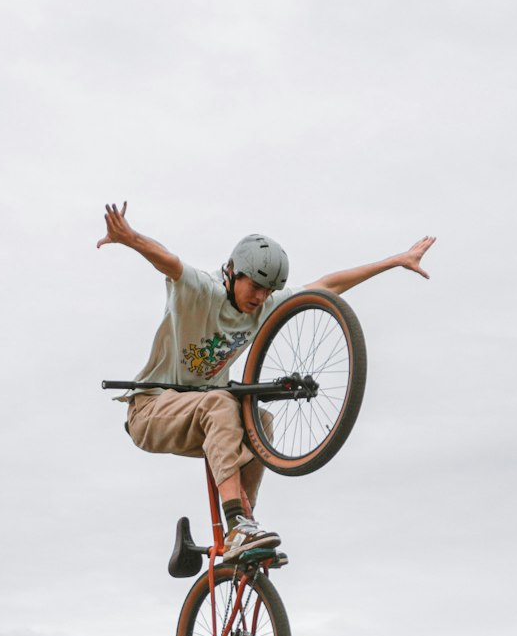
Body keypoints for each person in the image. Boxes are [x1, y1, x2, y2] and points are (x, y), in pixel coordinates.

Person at [98, 203, 435, 562]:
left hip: (198, 413)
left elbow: (327, 286)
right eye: (255, 286)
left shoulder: (263, 305)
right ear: (233, 272)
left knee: (261, 421)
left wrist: (393, 261)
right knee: (221, 403)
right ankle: (238, 524)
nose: (259, 297)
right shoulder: (203, 290)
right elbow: (168, 261)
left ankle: (244, 533)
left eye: (268, 290)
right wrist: (129, 238)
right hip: (151, 409)